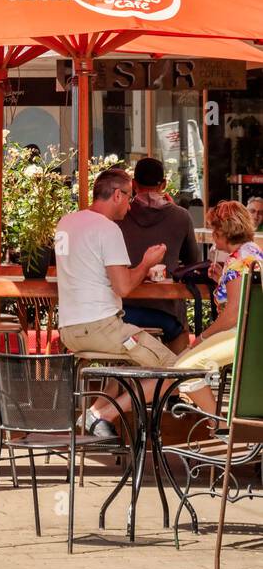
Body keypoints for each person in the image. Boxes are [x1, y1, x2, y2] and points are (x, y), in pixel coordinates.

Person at [54, 167, 174, 436]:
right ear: (117, 195)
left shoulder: (66, 222)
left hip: (69, 331)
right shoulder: (107, 229)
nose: (130, 206)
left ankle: (96, 413)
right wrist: (146, 263)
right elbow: (124, 287)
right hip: (102, 328)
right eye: (130, 197)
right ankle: (101, 415)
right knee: (174, 370)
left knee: (122, 370)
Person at [170, 201, 263, 413]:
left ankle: (219, 424)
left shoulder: (238, 260)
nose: (212, 235)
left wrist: (201, 338)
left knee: (185, 368)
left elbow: (233, 314)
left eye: (213, 229)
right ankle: (218, 423)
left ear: (223, 232)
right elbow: (245, 296)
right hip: (250, 333)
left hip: (242, 335)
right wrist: (222, 278)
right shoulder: (250, 252)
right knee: (183, 364)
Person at [118, 157, 202, 352]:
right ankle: (175, 377)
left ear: (133, 184)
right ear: (163, 184)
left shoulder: (119, 216)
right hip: (166, 312)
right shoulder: (180, 216)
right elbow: (193, 262)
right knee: (181, 330)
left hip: (121, 312)